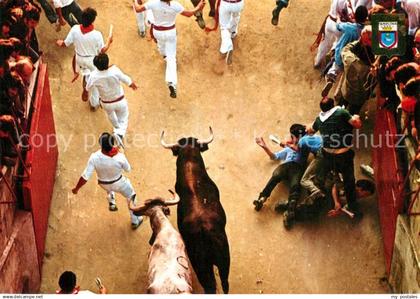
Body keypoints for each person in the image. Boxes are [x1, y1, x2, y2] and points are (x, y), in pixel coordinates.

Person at [133, 0, 205, 98]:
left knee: (161, 48)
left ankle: (164, 56)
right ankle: (171, 82)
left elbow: (137, 9)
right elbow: (188, 14)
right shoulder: (175, 5)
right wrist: (198, 7)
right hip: (170, 32)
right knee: (172, 58)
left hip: (157, 32)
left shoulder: (153, 3)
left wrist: (136, 1)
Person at [72, 133, 143, 230]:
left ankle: (112, 201)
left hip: (103, 184)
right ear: (112, 144)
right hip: (119, 184)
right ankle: (135, 220)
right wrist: (123, 154)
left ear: (100, 144)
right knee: (131, 196)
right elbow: (128, 169)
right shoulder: (120, 157)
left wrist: (76, 189)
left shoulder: (94, 157)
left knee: (109, 188)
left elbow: (85, 177)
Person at [307, 97, 363, 217]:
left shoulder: (319, 119)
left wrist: (309, 127)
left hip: (327, 155)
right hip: (343, 155)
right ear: (333, 105)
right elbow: (357, 124)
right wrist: (356, 117)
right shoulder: (341, 112)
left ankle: (332, 199)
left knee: (333, 177)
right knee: (349, 181)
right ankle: (352, 206)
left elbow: (310, 131)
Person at [56, 7, 112, 110]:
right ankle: (94, 103)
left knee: (86, 75)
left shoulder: (75, 29)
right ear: (92, 20)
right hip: (92, 61)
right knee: (95, 80)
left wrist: (60, 42)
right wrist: (109, 41)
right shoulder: (97, 35)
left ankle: (85, 87)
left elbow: (65, 43)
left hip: (79, 59)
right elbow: (102, 50)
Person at [253, 125, 306, 229]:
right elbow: (274, 157)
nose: (293, 139)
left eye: (293, 137)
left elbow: (300, 148)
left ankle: (290, 212)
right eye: (293, 137)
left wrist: (287, 144)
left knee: (295, 186)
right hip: (286, 166)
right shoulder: (288, 149)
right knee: (276, 175)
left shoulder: (304, 145)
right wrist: (264, 146)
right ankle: (262, 199)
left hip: (297, 168)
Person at [86, 53, 138, 145]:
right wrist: (132, 84)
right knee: (123, 118)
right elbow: (125, 78)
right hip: (120, 100)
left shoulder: (93, 76)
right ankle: (118, 134)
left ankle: (116, 129)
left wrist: (85, 93)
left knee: (111, 115)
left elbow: (88, 87)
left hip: (106, 103)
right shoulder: (114, 70)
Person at [321, 5, 368, 97]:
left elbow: (338, 26)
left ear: (355, 16)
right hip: (352, 59)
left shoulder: (349, 27)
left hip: (340, 54)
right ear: (365, 18)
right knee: (345, 76)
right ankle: (338, 93)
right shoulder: (364, 30)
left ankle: (331, 79)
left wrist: (339, 18)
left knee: (335, 68)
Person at [338, 26, 375, 115]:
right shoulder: (369, 70)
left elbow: (346, 49)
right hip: (360, 97)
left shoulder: (349, 59)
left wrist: (360, 41)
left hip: (346, 90)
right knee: (353, 114)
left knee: (340, 107)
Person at [219, 0, 244, 66]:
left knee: (224, 27)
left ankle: (227, 47)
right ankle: (233, 33)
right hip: (239, 4)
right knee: (236, 16)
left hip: (226, 4)